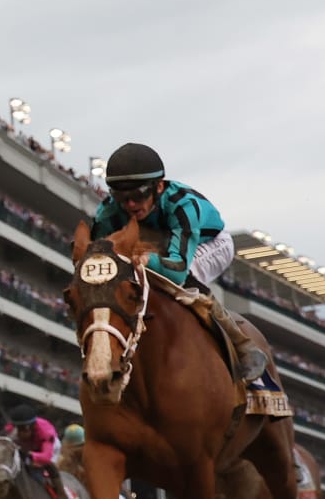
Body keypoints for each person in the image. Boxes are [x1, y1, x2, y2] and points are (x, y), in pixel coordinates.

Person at [90, 142, 264, 379]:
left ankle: (242, 345)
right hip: (158, 242)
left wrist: (144, 261)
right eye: (121, 196)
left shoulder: (182, 205)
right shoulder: (108, 212)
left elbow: (177, 270)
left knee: (185, 280)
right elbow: (97, 263)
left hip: (208, 243)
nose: (130, 204)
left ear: (158, 186)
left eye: (139, 195)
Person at [8, 404, 65, 499]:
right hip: (28, 446)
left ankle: (63, 496)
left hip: (48, 449)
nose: (19, 433)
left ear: (31, 427)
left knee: (47, 466)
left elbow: (46, 457)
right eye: (17, 429)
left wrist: (30, 455)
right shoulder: (13, 428)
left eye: (22, 430)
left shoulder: (45, 432)